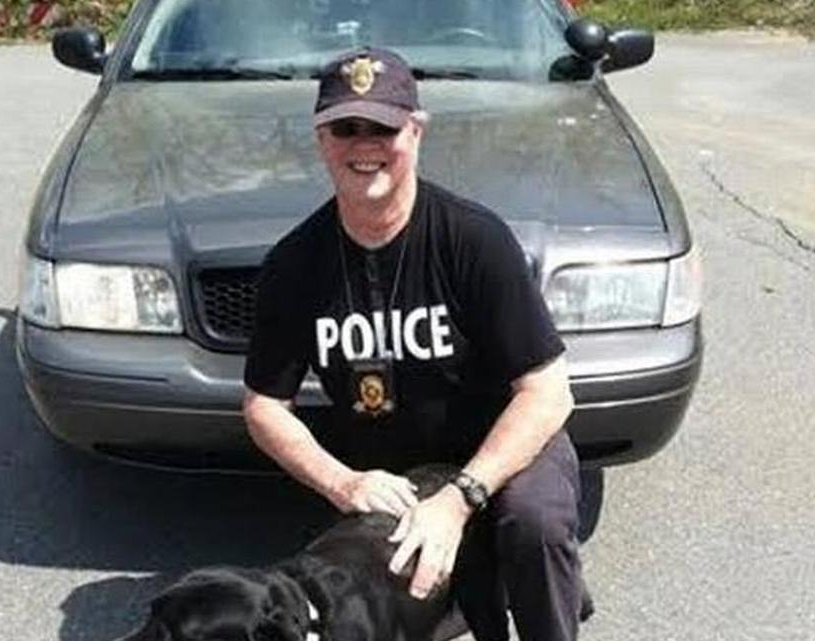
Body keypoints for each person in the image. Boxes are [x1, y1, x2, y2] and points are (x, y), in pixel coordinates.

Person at [242, 47, 585, 641]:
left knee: (533, 524)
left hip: (500, 451)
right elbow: (264, 405)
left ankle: (535, 592)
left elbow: (548, 391)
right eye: (345, 129)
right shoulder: (295, 264)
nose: (364, 145)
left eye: (383, 128)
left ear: (417, 132)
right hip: (394, 473)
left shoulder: (474, 239)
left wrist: (460, 498)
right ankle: (476, 591)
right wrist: (343, 482)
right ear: (321, 140)